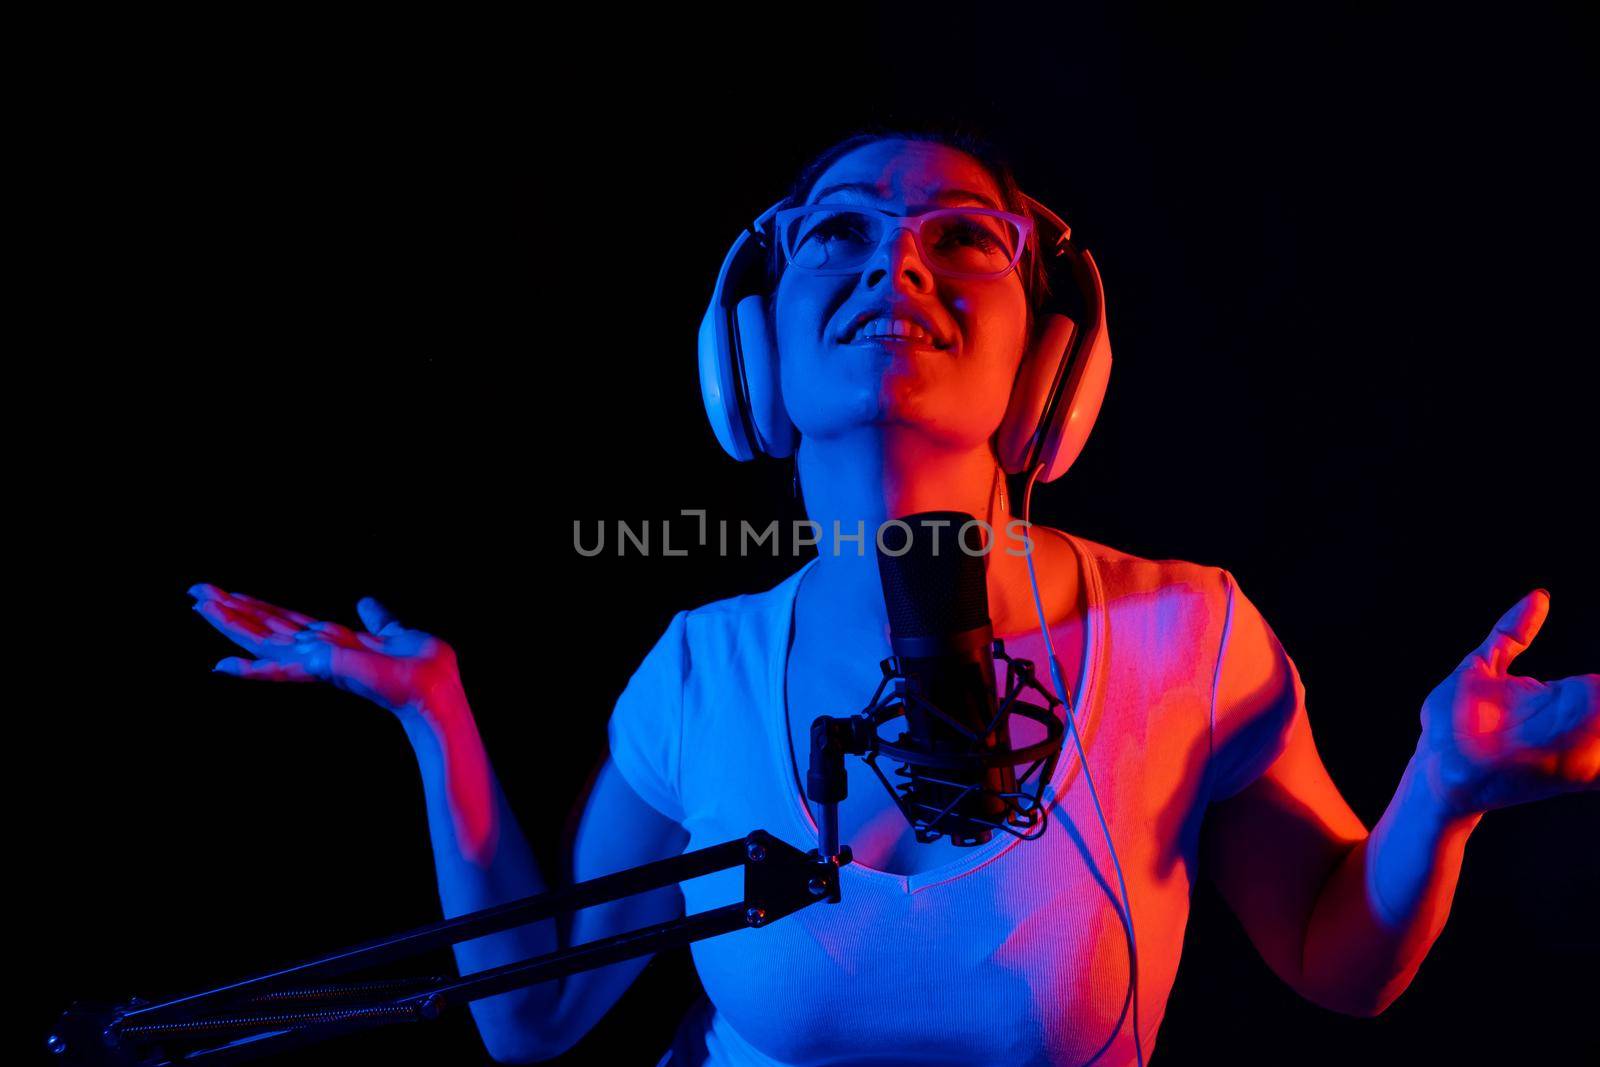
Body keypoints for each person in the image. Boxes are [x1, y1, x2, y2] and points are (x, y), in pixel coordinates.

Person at [188, 127, 1599, 1066]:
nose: (896, 263)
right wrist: (437, 715)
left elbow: (1336, 956)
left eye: (960, 238)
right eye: (841, 234)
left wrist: (1446, 789)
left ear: (1048, 367)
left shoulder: (1185, 632)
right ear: (752, 353)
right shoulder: (700, 674)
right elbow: (537, 1012)